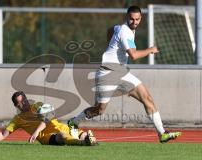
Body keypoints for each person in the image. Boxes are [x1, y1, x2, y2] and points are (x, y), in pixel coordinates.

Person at [68, 5, 181, 143]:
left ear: (141, 18)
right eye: (132, 19)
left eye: (137, 19)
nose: (134, 22)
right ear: (127, 18)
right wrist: (150, 50)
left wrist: (110, 45)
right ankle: (73, 122)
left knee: (147, 98)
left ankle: (162, 133)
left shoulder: (119, 28)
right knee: (99, 110)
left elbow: (110, 30)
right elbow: (133, 55)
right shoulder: (125, 31)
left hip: (121, 71)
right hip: (107, 73)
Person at [0, 91, 97, 146]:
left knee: (84, 134)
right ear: (16, 105)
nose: (25, 103)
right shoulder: (18, 119)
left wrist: (36, 131)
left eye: (25, 100)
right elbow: (3, 133)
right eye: (21, 103)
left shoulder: (37, 105)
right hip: (48, 138)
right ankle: (83, 143)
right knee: (62, 136)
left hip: (63, 127)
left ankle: (88, 140)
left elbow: (49, 116)